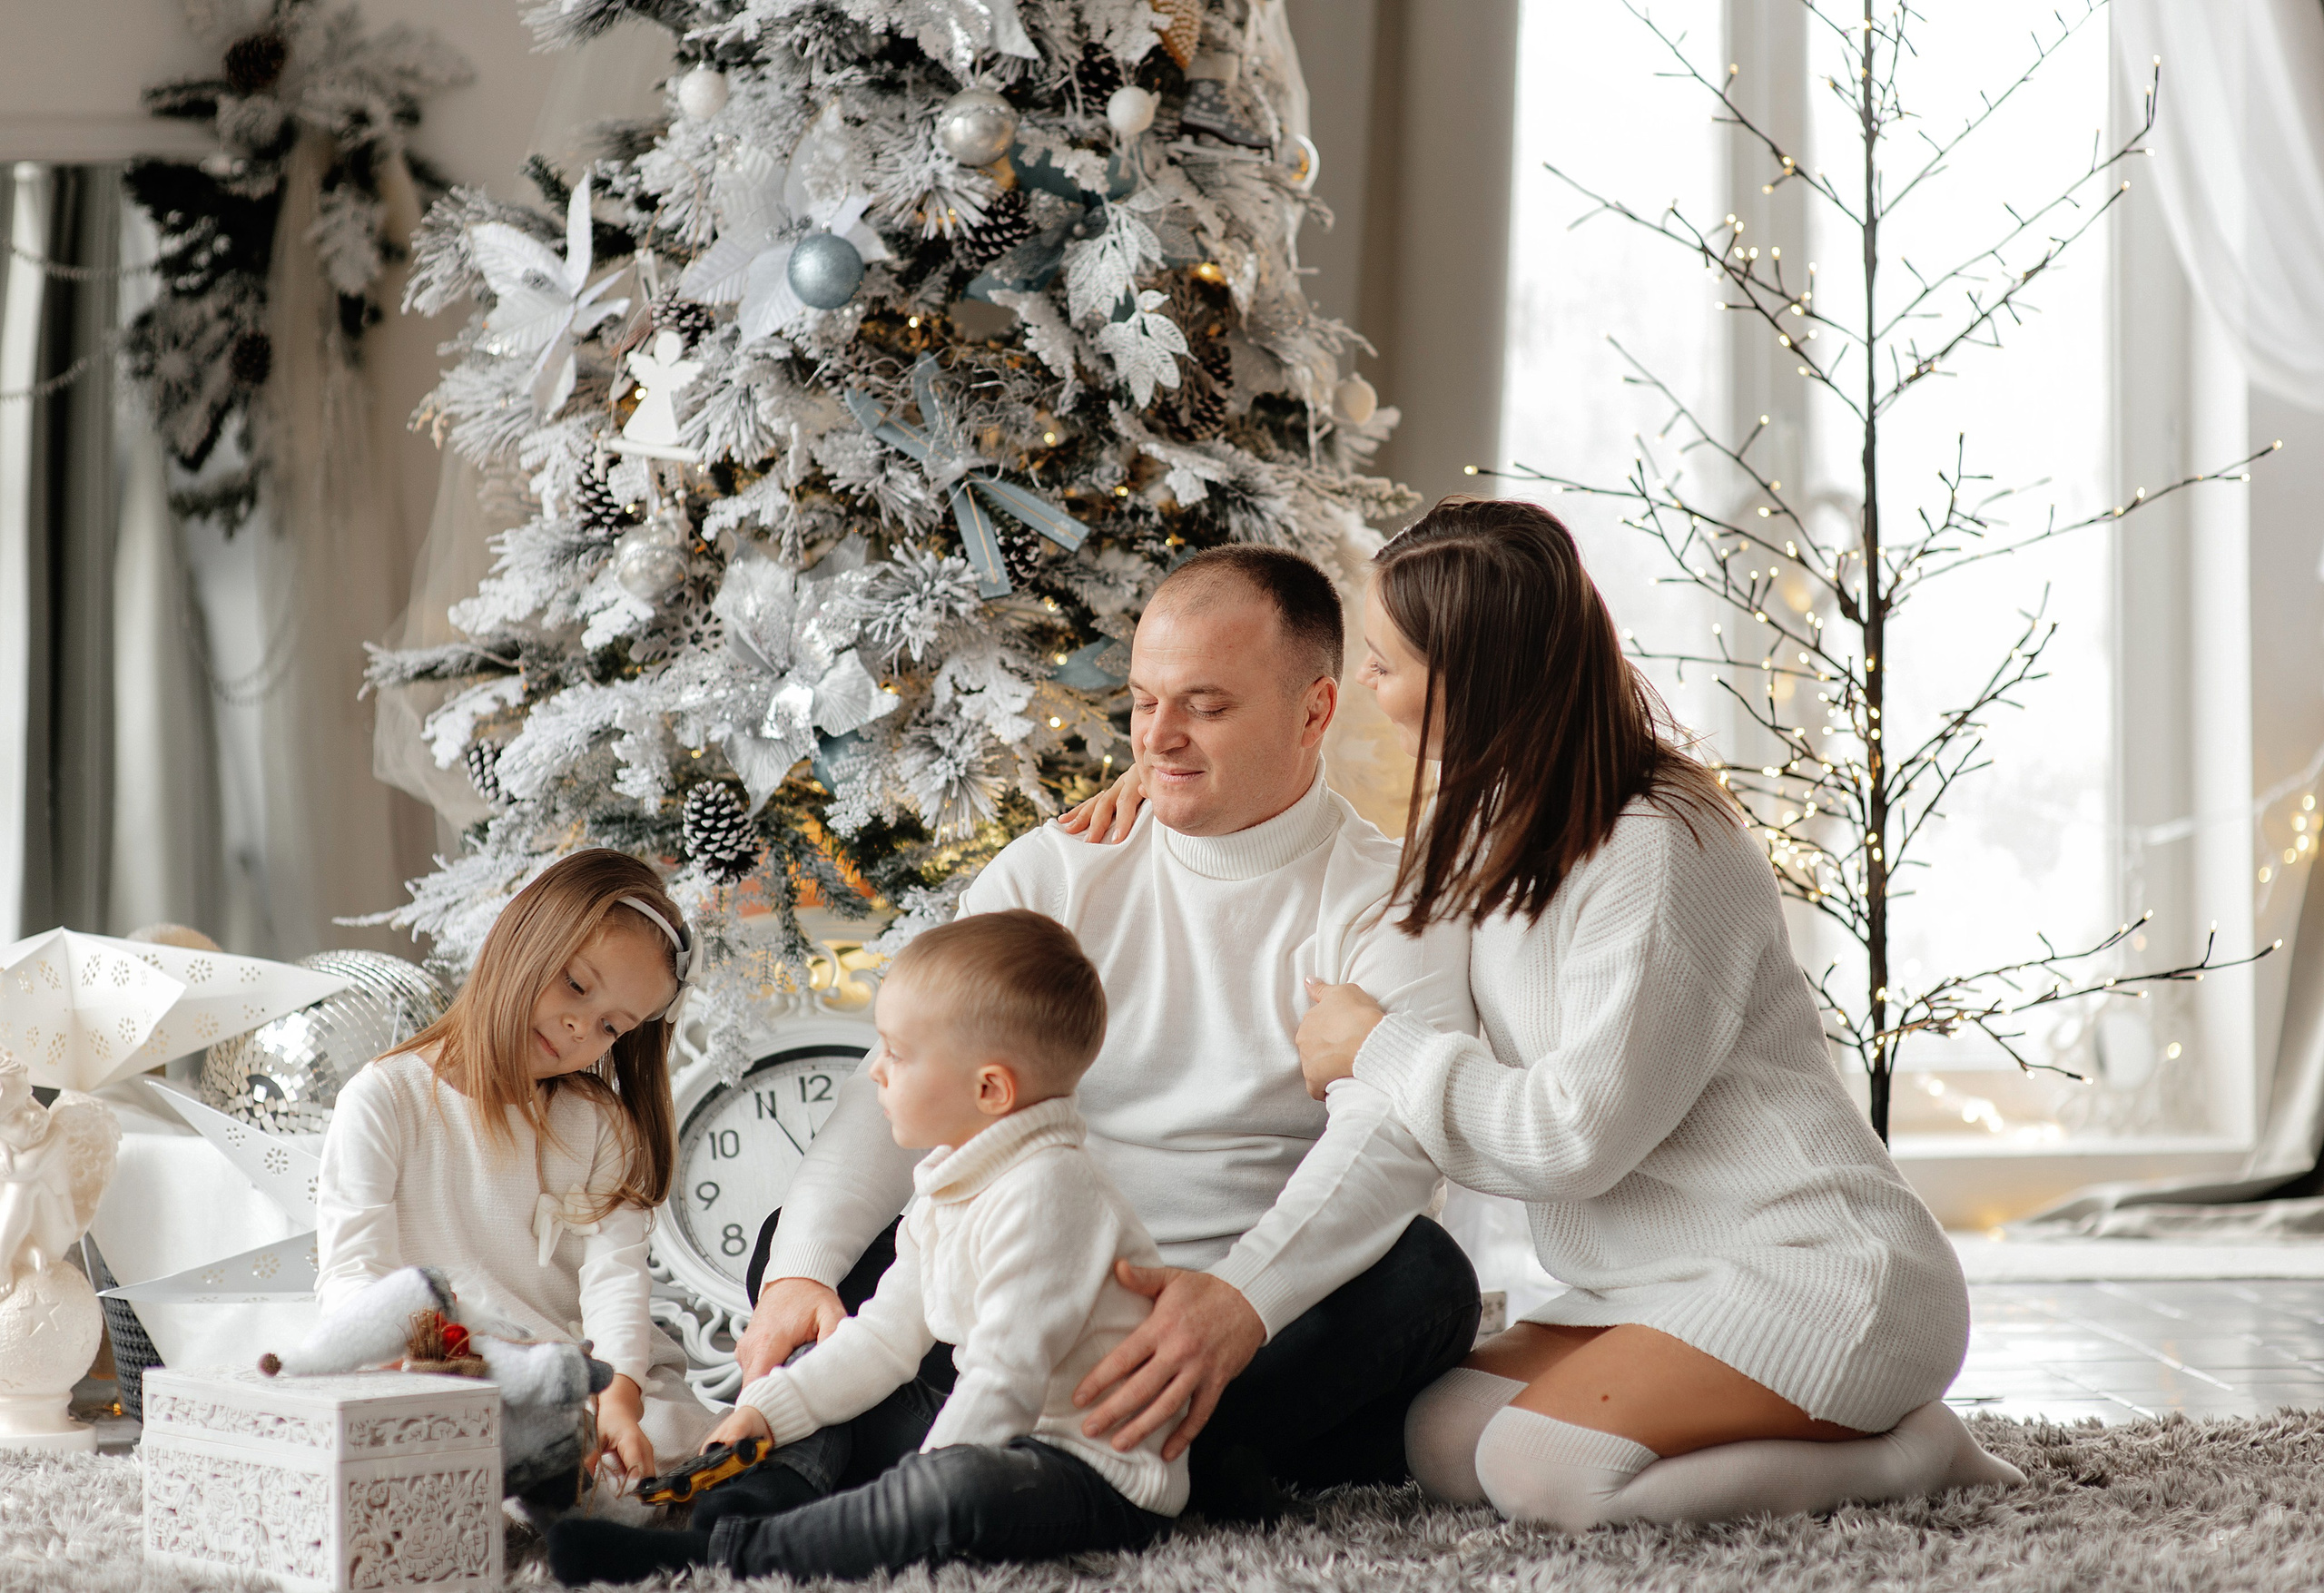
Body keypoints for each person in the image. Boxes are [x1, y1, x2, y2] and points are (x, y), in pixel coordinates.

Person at [1077, 497, 2024, 1529]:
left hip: (1816, 1272)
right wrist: (1171, 784)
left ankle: (1909, 1458)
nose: (1365, 690)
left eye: (1387, 665)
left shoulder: (1659, 847)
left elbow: (1575, 1138)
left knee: (1544, 1471)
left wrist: (1377, 1047)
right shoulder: (1482, 812)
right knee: (1440, 1438)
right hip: (1645, 1281)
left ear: (1471, 678)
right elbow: (1348, 874)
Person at [735, 544, 1482, 1519]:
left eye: (1205, 707)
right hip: (1027, 1286)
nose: (1158, 739)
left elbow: (1385, 1146)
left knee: (1427, 1286)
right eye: (1142, 701)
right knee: (795, 1247)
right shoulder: (1057, 870)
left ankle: (974, 1450)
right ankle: (1142, 1469)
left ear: (1315, 711)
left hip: (1237, 1310)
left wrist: (1237, 1306)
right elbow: (905, 1079)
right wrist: (800, 1273)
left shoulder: (1391, 899)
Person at [546, 910, 1185, 1584]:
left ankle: (724, 1557)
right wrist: (765, 1409)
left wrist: (916, 1487)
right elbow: (883, 1339)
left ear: (990, 1089)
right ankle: (741, 1509)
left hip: (1091, 1472)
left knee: (952, 1486)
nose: (875, 1071)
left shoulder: (1051, 1190)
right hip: (998, 1427)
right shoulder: (948, 1186)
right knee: (826, 1353)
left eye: (897, 1054)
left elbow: (1006, 1377)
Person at [315, 849, 715, 1490]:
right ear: (521, 938)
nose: (580, 1026)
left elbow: (615, 1280)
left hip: (584, 1370)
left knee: (682, 1446)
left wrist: (618, 1400)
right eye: (577, 986)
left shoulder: (600, 1123)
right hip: (444, 1367)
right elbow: (352, 1269)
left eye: (611, 1025)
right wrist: (407, 1360)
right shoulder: (385, 1098)